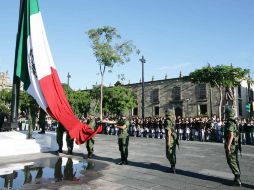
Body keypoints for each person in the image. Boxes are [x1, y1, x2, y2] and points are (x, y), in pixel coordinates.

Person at [224, 108, 241, 186]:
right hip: (235, 144)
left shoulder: (230, 122)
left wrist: (228, 145)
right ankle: (237, 177)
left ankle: (237, 179)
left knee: (231, 161)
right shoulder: (234, 121)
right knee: (234, 160)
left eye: (226, 113)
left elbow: (231, 135)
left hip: (232, 145)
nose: (225, 115)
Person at [164, 109, 177, 174]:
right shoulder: (173, 120)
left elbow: (169, 131)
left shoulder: (167, 121)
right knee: (173, 153)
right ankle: (173, 166)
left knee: (168, 154)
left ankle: (172, 166)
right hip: (174, 138)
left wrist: (168, 142)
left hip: (170, 139)